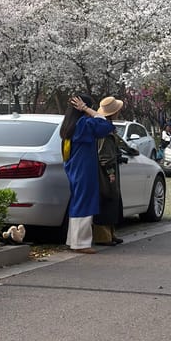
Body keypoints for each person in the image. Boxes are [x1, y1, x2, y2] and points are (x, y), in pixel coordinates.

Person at [59, 93, 115, 253]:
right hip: (84, 169)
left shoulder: (69, 124)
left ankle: (73, 240)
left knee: (77, 203)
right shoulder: (83, 123)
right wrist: (87, 109)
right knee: (85, 203)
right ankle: (81, 243)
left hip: (74, 168)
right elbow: (104, 124)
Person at [92, 96, 139, 246]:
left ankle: (111, 233)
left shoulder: (108, 126)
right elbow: (104, 155)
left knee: (113, 201)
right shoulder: (104, 131)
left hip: (110, 168)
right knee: (106, 200)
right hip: (105, 171)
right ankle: (103, 236)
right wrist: (110, 172)